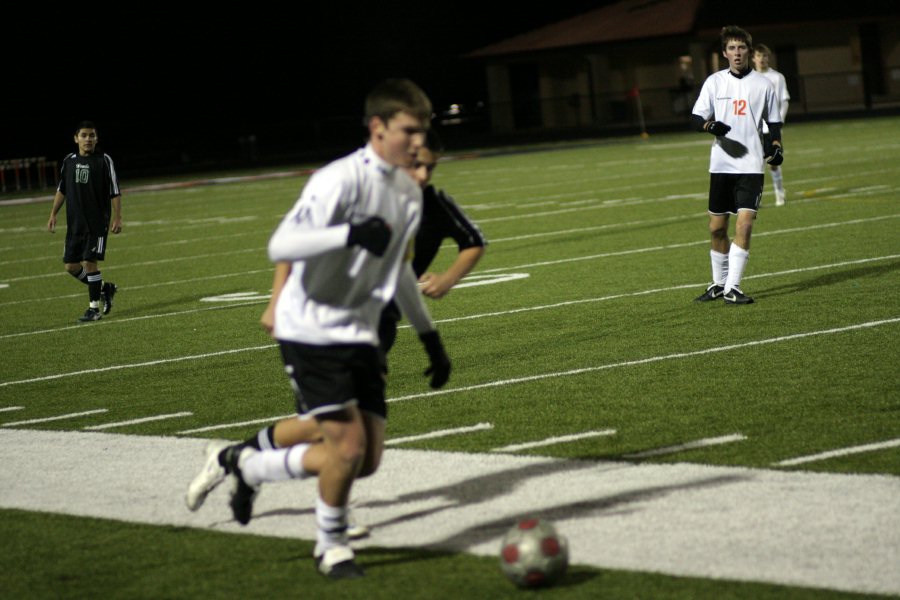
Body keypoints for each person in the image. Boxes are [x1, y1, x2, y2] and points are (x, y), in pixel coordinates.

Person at [186, 79, 451, 579]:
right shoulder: (340, 180)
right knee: (346, 448)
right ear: (378, 128)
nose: (419, 142)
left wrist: (429, 336)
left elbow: (398, 273)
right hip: (309, 328)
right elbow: (281, 243)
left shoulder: (407, 195)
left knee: (365, 459)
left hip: (360, 332)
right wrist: (348, 231)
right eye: (409, 131)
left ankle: (245, 464)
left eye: (424, 131)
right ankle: (331, 547)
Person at [691, 26, 783, 305]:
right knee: (716, 229)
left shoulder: (764, 85)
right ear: (724, 53)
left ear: (749, 52)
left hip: (750, 166)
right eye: (732, 48)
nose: (737, 53)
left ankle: (733, 287)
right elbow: (697, 116)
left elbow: (774, 123)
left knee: (744, 224)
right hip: (721, 165)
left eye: (742, 48)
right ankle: (719, 284)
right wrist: (710, 125)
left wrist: (776, 147)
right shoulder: (714, 82)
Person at [47, 121, 121, 321]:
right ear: (76, 138)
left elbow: (114, 191)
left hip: (97, 223)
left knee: (90, 263)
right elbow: (62, 189)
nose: (88, 139)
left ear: (97, 139)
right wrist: (53, 213)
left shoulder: (104, 160)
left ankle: (94, 310)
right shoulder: (69, 161)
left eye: (92, 135)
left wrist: (117, 217)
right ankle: (105, 288)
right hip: (75, 223)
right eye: (84, 135)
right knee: (71, 266)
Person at [753, 44, 790, 207]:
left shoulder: (777, 77)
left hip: (772, 128)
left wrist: (779, 122)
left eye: (765, 56)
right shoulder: (749, 78)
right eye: (759, 56)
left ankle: (780, 194)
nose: (762, 59)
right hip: (755, 129)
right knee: (756, 165)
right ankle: (756, 198)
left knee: (773, 164)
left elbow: (784, 100)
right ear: (753, 58)